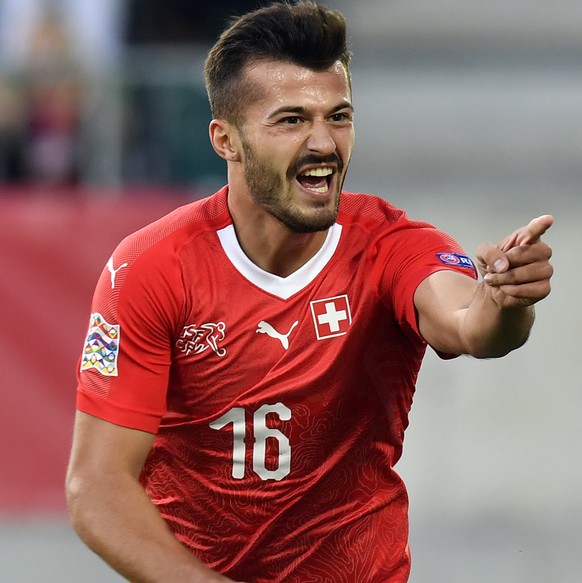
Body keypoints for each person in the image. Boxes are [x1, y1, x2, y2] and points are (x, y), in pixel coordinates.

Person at [65, 2, 554, 582]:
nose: (324, 142)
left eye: (339, 116)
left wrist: (505, 301)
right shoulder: (150, 270)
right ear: (226, 139)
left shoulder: (390, 244)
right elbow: (97, 485)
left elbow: (472, 324)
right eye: (292, 120)